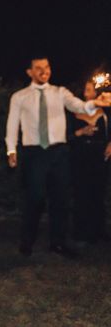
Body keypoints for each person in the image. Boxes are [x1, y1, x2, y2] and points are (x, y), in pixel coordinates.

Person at [5, 57, 111, 258]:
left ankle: (58, 243)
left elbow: (79, 106)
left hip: (58, 152)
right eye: (38, 68)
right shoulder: (20, 97)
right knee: (34, 199)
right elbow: (12, 125)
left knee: (60, 199)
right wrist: (11, 150)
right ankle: (27, 241)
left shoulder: (60, 93)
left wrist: (96, 102)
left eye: (46, 67)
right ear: (30, 72)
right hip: (34, 152)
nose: (43, 71)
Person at [68, 79, 111, 244]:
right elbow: (68, 137)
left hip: (99, 155)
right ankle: (80, 231)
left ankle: (99, 231)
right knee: (81, 193)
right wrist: (81, 132)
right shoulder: (74, 113)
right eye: (84, 89)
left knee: (98, 193)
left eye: (89, 89)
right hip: (80, 155)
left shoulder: (105, 113)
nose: (85, 92)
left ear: (96, 94)